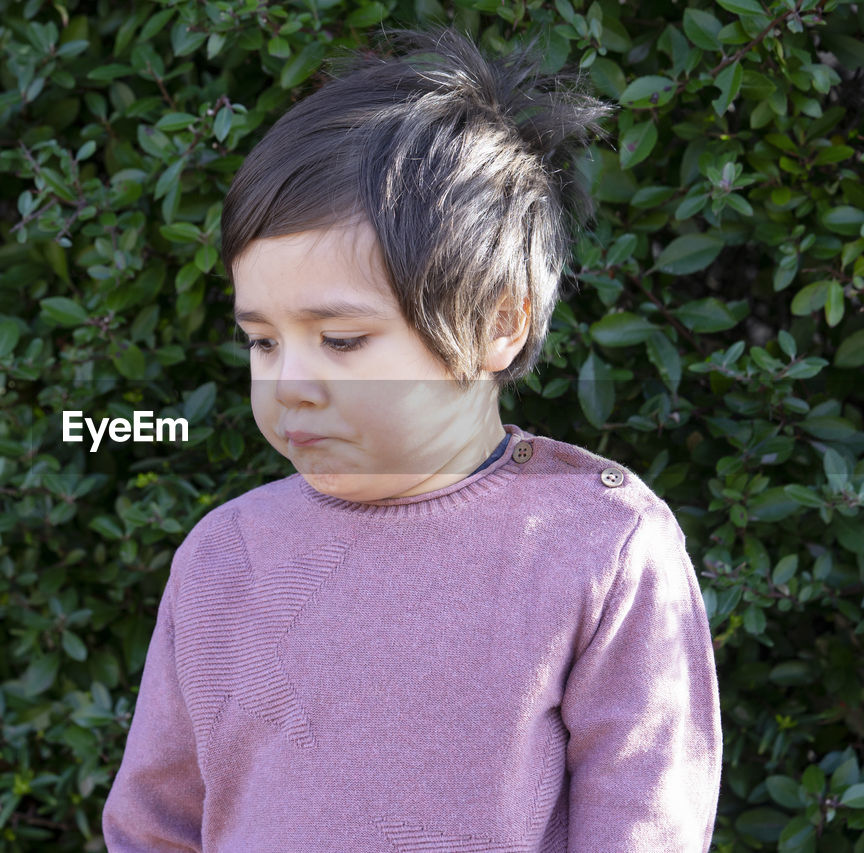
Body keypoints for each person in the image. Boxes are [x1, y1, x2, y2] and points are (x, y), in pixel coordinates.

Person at [101, 25, 722, 852]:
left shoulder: (601, 550)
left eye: (343, 339)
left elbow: (644, 826)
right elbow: (154, 826)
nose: (290, 381)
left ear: (499, 324)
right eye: (262, 340)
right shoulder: (225, 558)